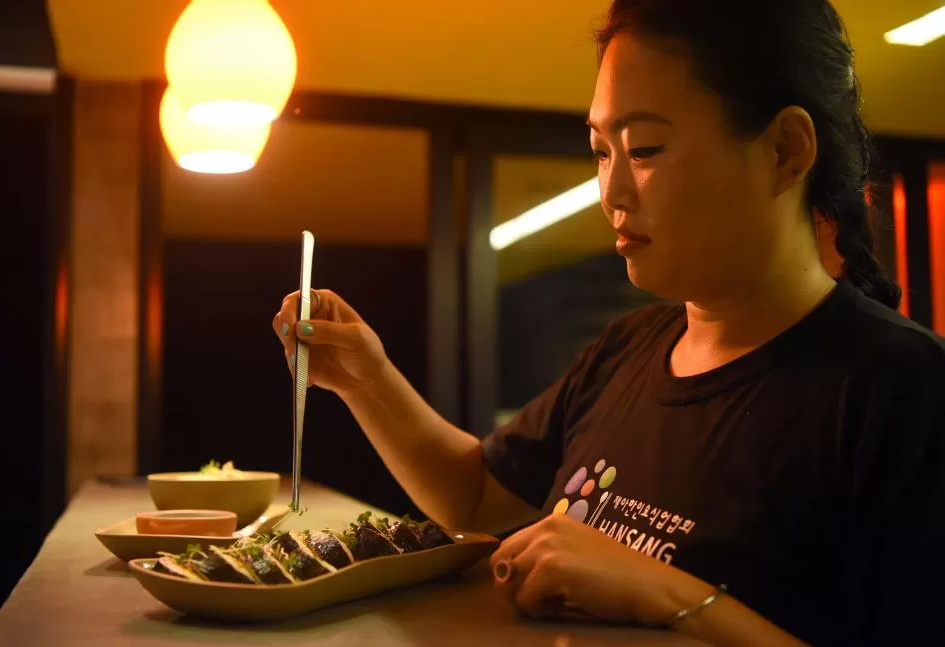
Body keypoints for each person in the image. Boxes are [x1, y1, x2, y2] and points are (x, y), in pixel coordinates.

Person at [272, 1, 945, 644]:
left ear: (784, 150)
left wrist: (667, 593)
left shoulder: (902, 390)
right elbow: (475, 495)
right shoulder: (630, 346)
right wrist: (367, 376)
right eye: (601, 151)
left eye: (645, 148)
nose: (612, 193)